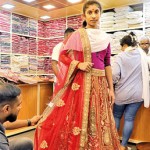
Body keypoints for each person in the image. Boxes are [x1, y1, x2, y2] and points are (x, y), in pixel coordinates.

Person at [34, 0, 120, 149]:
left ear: (100, 14)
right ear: (84, 16)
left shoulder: (106, 38)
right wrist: (79, 64)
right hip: (82, 82)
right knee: (79, 118)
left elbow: (107, 64)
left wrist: (111, 89)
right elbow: (62, 56)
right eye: (90, 12)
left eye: (96, 12)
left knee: (100, 118)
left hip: (100, 84)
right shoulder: (78, 35)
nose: (93, 15)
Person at [112, 32, 149, 150]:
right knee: (129, 118)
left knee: (116, 116)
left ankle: (114, 144)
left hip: (122, 94)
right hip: (138, 94)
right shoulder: (142, 55)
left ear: (124, 45)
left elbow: (113, 76)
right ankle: (123, 146)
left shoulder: (120, 57)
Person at [0, 82, 33, 150]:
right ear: (7, 108)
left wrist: (30, 122)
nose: (20, 107)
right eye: (18, 105)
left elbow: (6, 125)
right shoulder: (1, 142)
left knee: (25, 143)